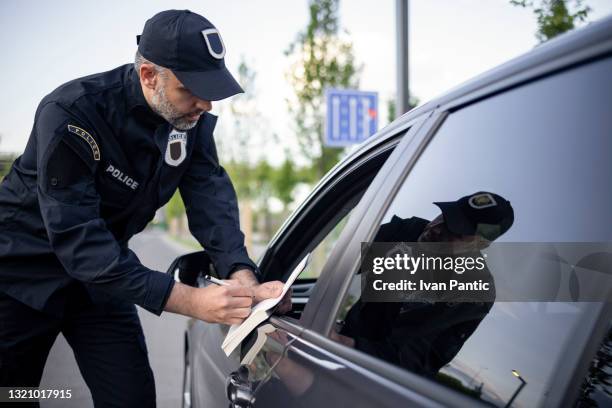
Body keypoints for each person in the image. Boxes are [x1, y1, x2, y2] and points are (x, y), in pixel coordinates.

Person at [0, 9, 287, 406]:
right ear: (149, 75)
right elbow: (79, 240)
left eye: (211, 89)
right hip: (20, 277)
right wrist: (192, 301)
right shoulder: (73, 113)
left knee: (131, 398)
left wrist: (241, 274)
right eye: (191, 89)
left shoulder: (188, 121)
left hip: (101, 284)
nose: (204, 103)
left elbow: (209, 197)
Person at [332, 192, 514, 378]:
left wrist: (344, 342)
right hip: (337, 348)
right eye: (444, 216)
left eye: (453, 231)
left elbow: (415, 360)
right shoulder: (408, 231)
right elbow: (340, 264)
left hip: (382, 382)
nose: (435, 228)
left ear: (479, 245)